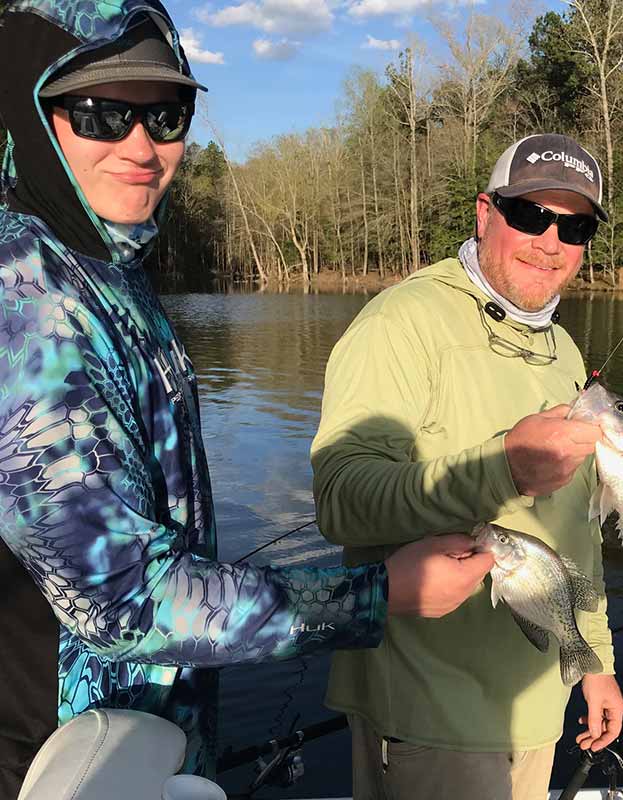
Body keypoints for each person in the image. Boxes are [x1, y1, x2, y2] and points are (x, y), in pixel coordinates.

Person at [0, 2, 495, 796]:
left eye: (165, 113)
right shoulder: (23, 299)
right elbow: (124, 601)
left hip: (146, 748)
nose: (142, 146)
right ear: (33, 112)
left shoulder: (108, 269)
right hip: (57, 765)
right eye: (99, 113)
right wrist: (381, 594)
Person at [311, 133, 623, 800]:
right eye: (530, 215)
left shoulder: (563, 349)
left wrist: (593, 660)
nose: (551, 242)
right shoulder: (402, 323)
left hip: (540, 700)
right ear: (486, 212)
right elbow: (340, 497)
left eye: (574, 227)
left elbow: (578, 527)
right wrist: (505, 467)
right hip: (431, 714)